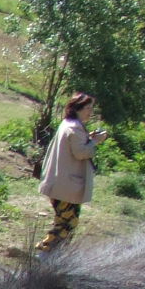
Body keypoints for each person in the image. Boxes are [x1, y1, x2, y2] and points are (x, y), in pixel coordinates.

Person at [38, 91, 105, 252]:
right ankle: (46, 252)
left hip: (62, 183)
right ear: (77, 108)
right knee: (67, 224)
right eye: (87, 108)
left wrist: (89, 138)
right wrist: (95, 141)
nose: (90, 112)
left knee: (64, 222)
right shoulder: (74, 128)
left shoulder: (68, 124)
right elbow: (81, 153)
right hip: (66, 185)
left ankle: (52, 254)